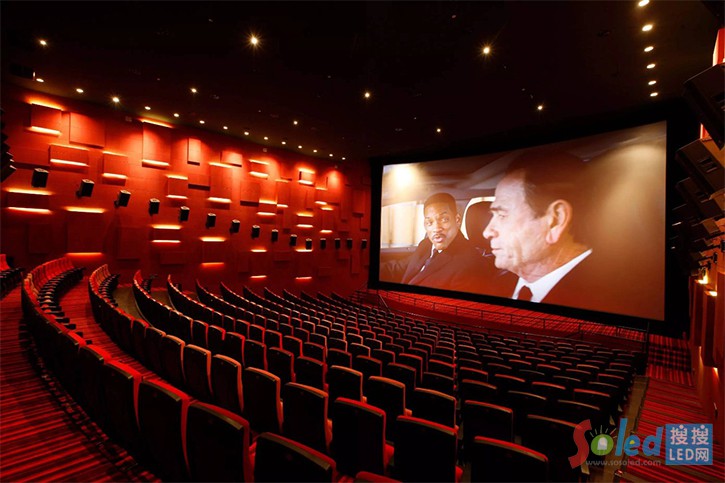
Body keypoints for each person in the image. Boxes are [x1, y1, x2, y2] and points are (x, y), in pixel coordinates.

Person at [483, 150, 602, 305]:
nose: (487, 232)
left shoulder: (604, 300)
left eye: (502, 215)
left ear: (555, 221)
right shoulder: (498, 282)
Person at [400, 192, 496, 293]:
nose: (436, 228)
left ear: (457, 220)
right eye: (429, 222)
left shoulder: (471, 265)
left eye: (444, 219)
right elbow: (403, 266)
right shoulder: (426, 245)